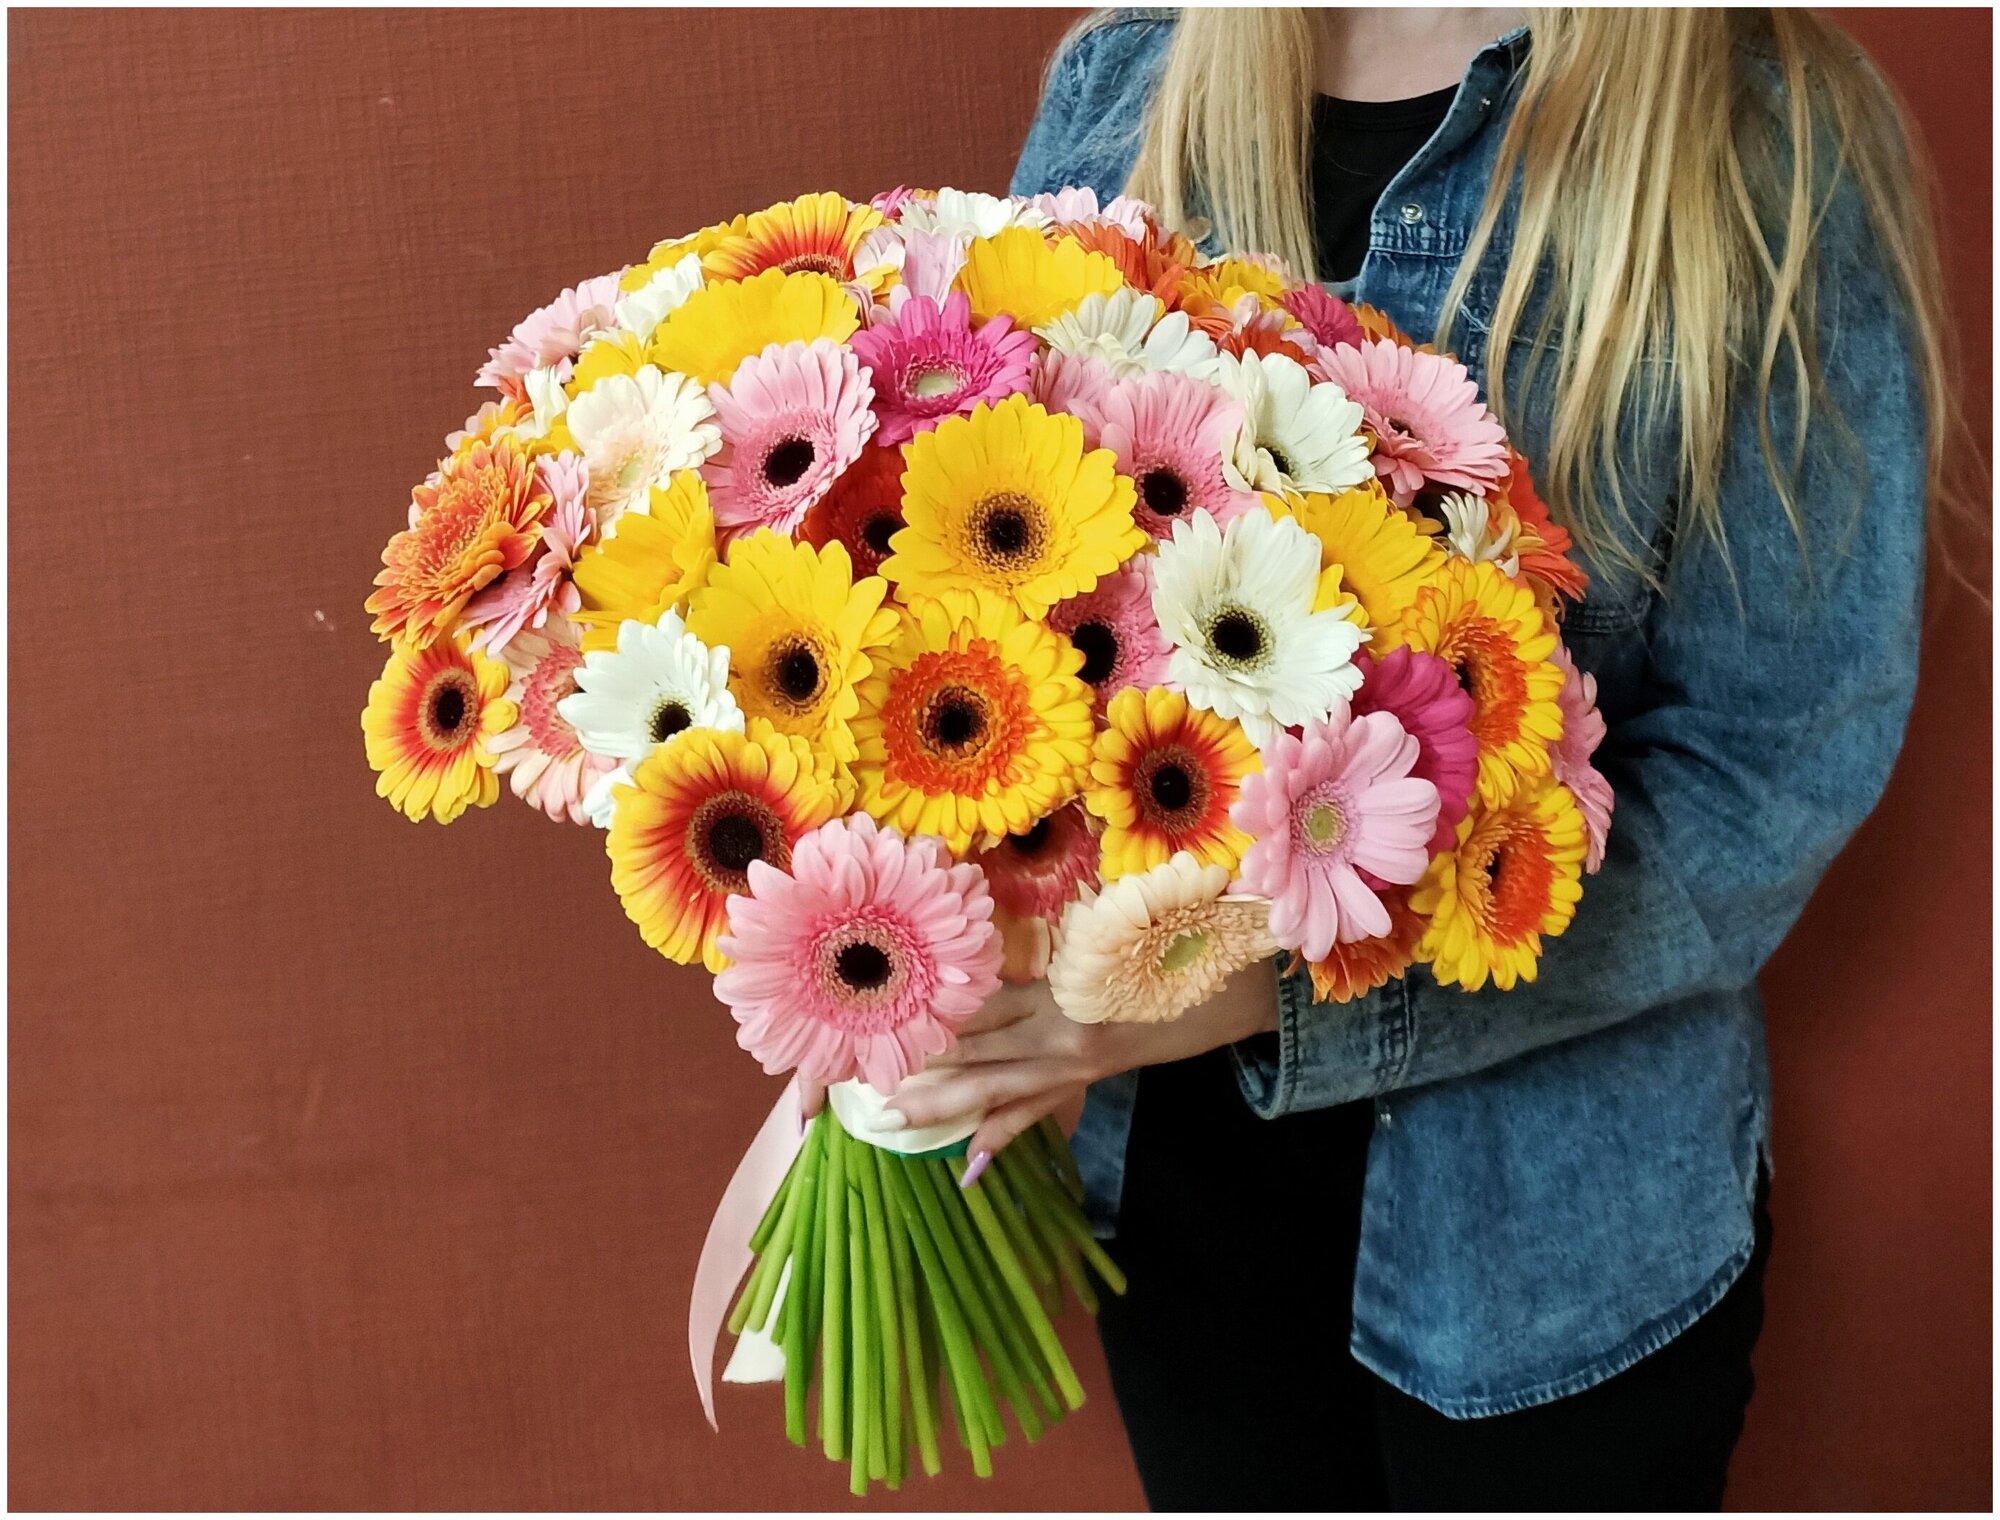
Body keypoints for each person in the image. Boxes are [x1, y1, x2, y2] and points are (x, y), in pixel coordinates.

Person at [868, 7, 1954, 1510]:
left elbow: (1768, 769)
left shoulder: (1762, 147)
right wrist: (877, 914)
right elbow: (997, 603)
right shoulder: (1128, 82)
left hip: (1566, 1267)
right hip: (1187, 1220)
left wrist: (1280, 994)